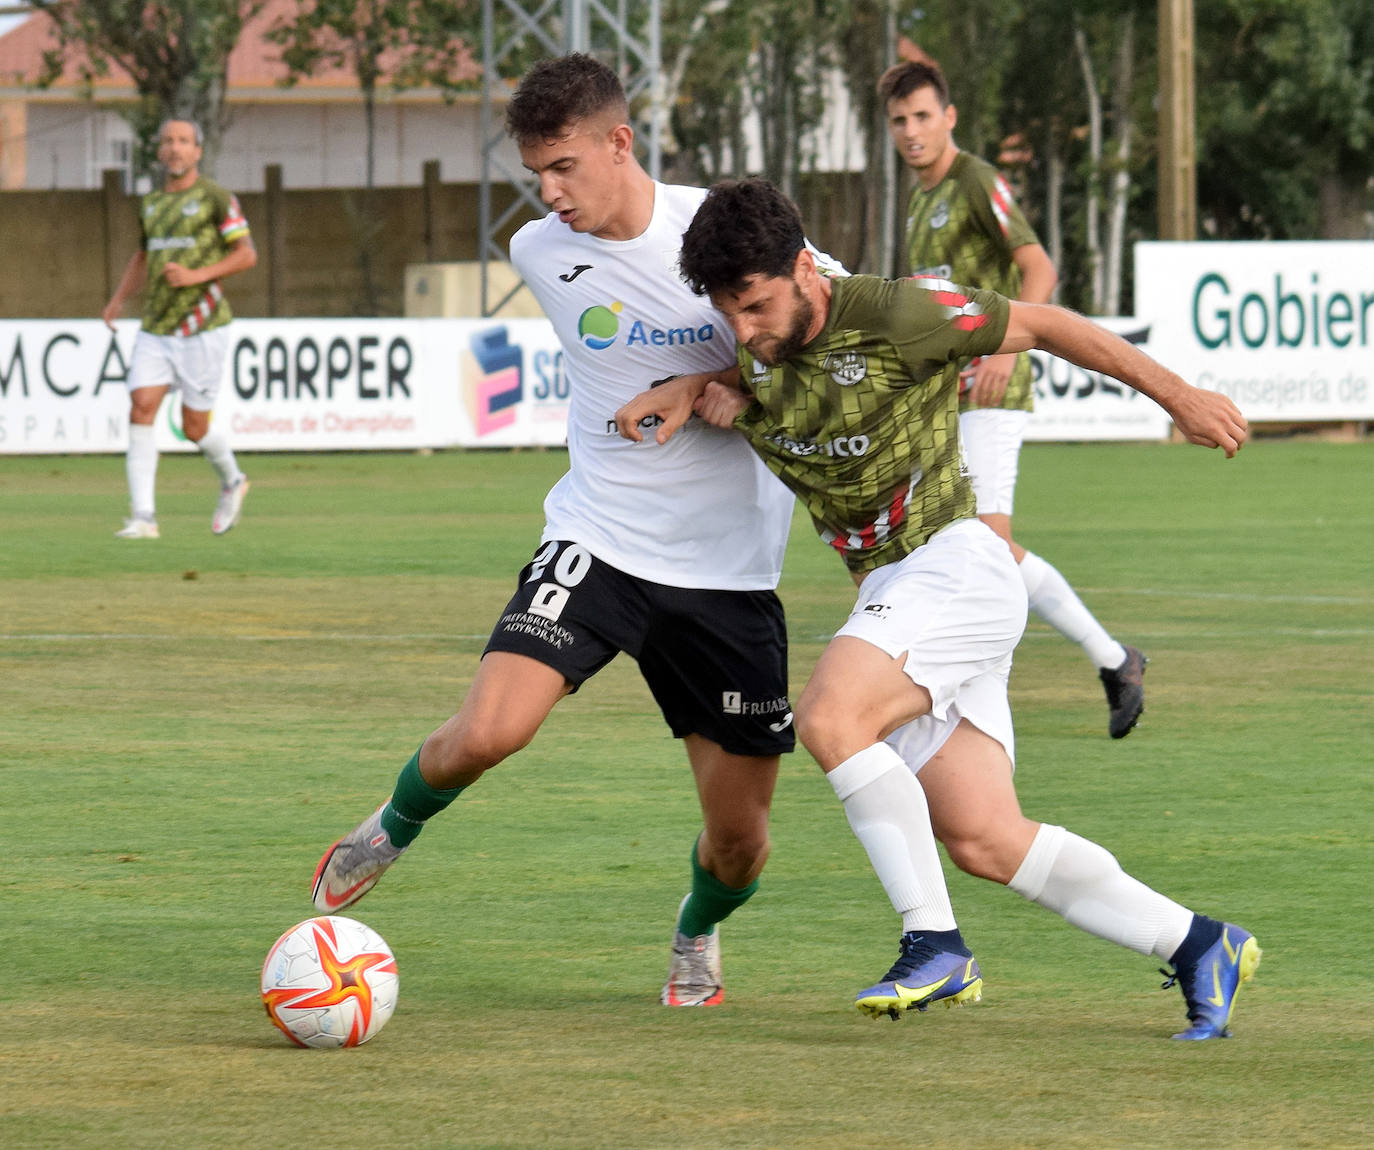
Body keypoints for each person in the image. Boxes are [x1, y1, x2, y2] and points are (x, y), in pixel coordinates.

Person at [615, 178, 1260, 1040]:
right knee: (986, 838)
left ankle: (936, 944)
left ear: (806, 269)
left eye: (757, 305)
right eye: (729, 313)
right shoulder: (760, 351)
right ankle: (1199, 944)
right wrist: (699, 384)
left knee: (830, 716)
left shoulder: (902, 313)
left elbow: (1051, 326)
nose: (746, 329)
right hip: (900, 594)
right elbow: (766, 370)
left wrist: (1178, 396)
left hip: (955, 564)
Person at [311, 54, 801, 1008]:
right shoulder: (541, 251)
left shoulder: (725, 234)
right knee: (489, 732)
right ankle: (389, 826)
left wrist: (717, 384)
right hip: (600, 537)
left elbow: (824, 341)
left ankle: (697, 930)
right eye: (536, 172)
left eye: (565, 166)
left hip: (727, 572)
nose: (548, 193)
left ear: (621, 142)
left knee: (740, 845)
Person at [879, 60, 1145, 738]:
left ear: (950, 117)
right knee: (951, 538)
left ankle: (1108, 661)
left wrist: (1001, 346)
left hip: (995, 385)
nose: (911, 132)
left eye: (922, 116)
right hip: (949, 393)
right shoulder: (918, 198)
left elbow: (1039, 266)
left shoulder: (976, 181)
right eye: (899, 121)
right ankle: (1093, 662)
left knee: (988, 543)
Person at [101, 119, 256, 539]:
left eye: (183, 141)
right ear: (158, 151)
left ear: (197, 151)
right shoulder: (150, 203)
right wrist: (118, 300)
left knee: (194, 428)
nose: (175, 148)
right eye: (167, 140)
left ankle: (232, 480)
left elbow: (246, 255)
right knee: (141, 407)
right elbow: (142, 255)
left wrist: (195, 275)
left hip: (203, 326)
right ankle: (144, 517)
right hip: (157, 325)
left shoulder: (215, 198)